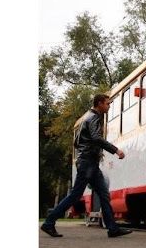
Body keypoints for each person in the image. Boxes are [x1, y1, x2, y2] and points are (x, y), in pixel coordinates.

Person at [41, 94, 132, 238]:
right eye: (107, 104)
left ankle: (112, 228)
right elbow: (96, 138)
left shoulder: (86, 118)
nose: (109, 106)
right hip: (88, 163)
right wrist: (116, 150)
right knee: (75, 195)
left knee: (103, 194)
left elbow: (77, 143)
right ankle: (49, 223)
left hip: (89, 163)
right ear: (100, 103)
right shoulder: (94, 118)